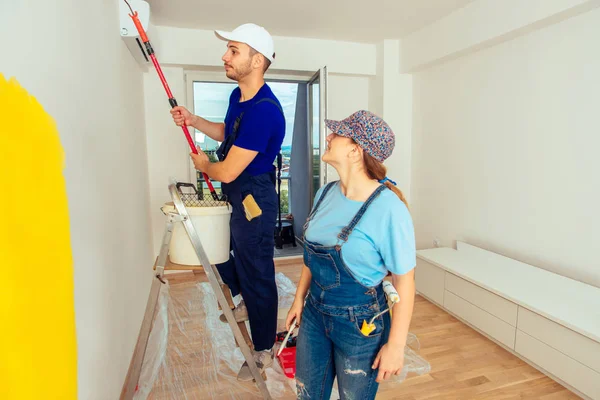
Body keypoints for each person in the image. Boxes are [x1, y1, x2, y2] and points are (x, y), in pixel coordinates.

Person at [170, 23, 285, 381]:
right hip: (238, 188)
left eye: (234, 50)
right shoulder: (239, 98)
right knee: (221, 249)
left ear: (256, 60)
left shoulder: (266, 110)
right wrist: (194, 120)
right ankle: (243, 301)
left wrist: (206, 165)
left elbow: (229, 171)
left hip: (254, 195)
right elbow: (228, 132)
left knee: (257, 270)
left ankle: (263, 348)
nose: (225, 56)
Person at [285, 110, 416, 399]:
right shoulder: (325, 194)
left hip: (361, 323)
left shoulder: (388, 209)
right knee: (308, 394)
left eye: (337, 134)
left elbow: (405, 283)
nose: (328, 137)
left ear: (356, 151)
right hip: (314, 314)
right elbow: (312, 256)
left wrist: (395, 346)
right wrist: (298, 299)